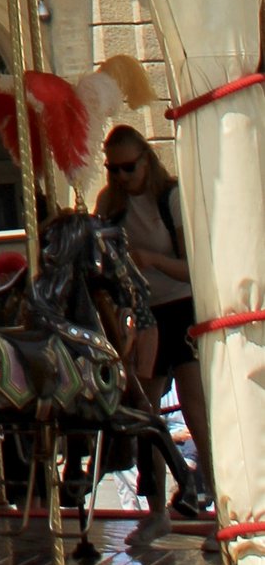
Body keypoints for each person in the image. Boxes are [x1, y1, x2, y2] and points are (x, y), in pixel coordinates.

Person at [99, 124, 214, 502]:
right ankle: (156, 506)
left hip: (181, 305)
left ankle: (212, 493)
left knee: (194, 406)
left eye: (128, 167)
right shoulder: (109, 205)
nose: (121, 176)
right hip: (145, 313)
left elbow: (194, 269)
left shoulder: (171, 197)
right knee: (145, 411)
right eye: (113, 169)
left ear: (146, 161)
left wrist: (153, 261)